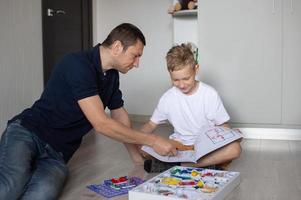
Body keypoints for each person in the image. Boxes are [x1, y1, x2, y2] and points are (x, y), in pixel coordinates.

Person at [0, 23, 177, 200]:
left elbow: (119, 114)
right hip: (27, 132)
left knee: (41, 195)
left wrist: (136, 157)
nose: (137, 63)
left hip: (57, 153)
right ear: (117, 47)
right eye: (135, 56)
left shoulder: (112, 76)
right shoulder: (77, 64)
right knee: (11, 187)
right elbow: (101, 123)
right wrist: (153, 140)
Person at [139, 43, 242, 173]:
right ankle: (207, 165)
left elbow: (223, 125)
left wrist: (231, 135)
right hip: (179, 146)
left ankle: (182, 166)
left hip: (206, 146)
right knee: (144, 148)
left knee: (235, 149)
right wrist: (139, 138)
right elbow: (150, 124)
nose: (181, 85)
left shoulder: (209, 94)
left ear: (196, 69)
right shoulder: (168, 98)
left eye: (186, 78)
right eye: (176, 80)